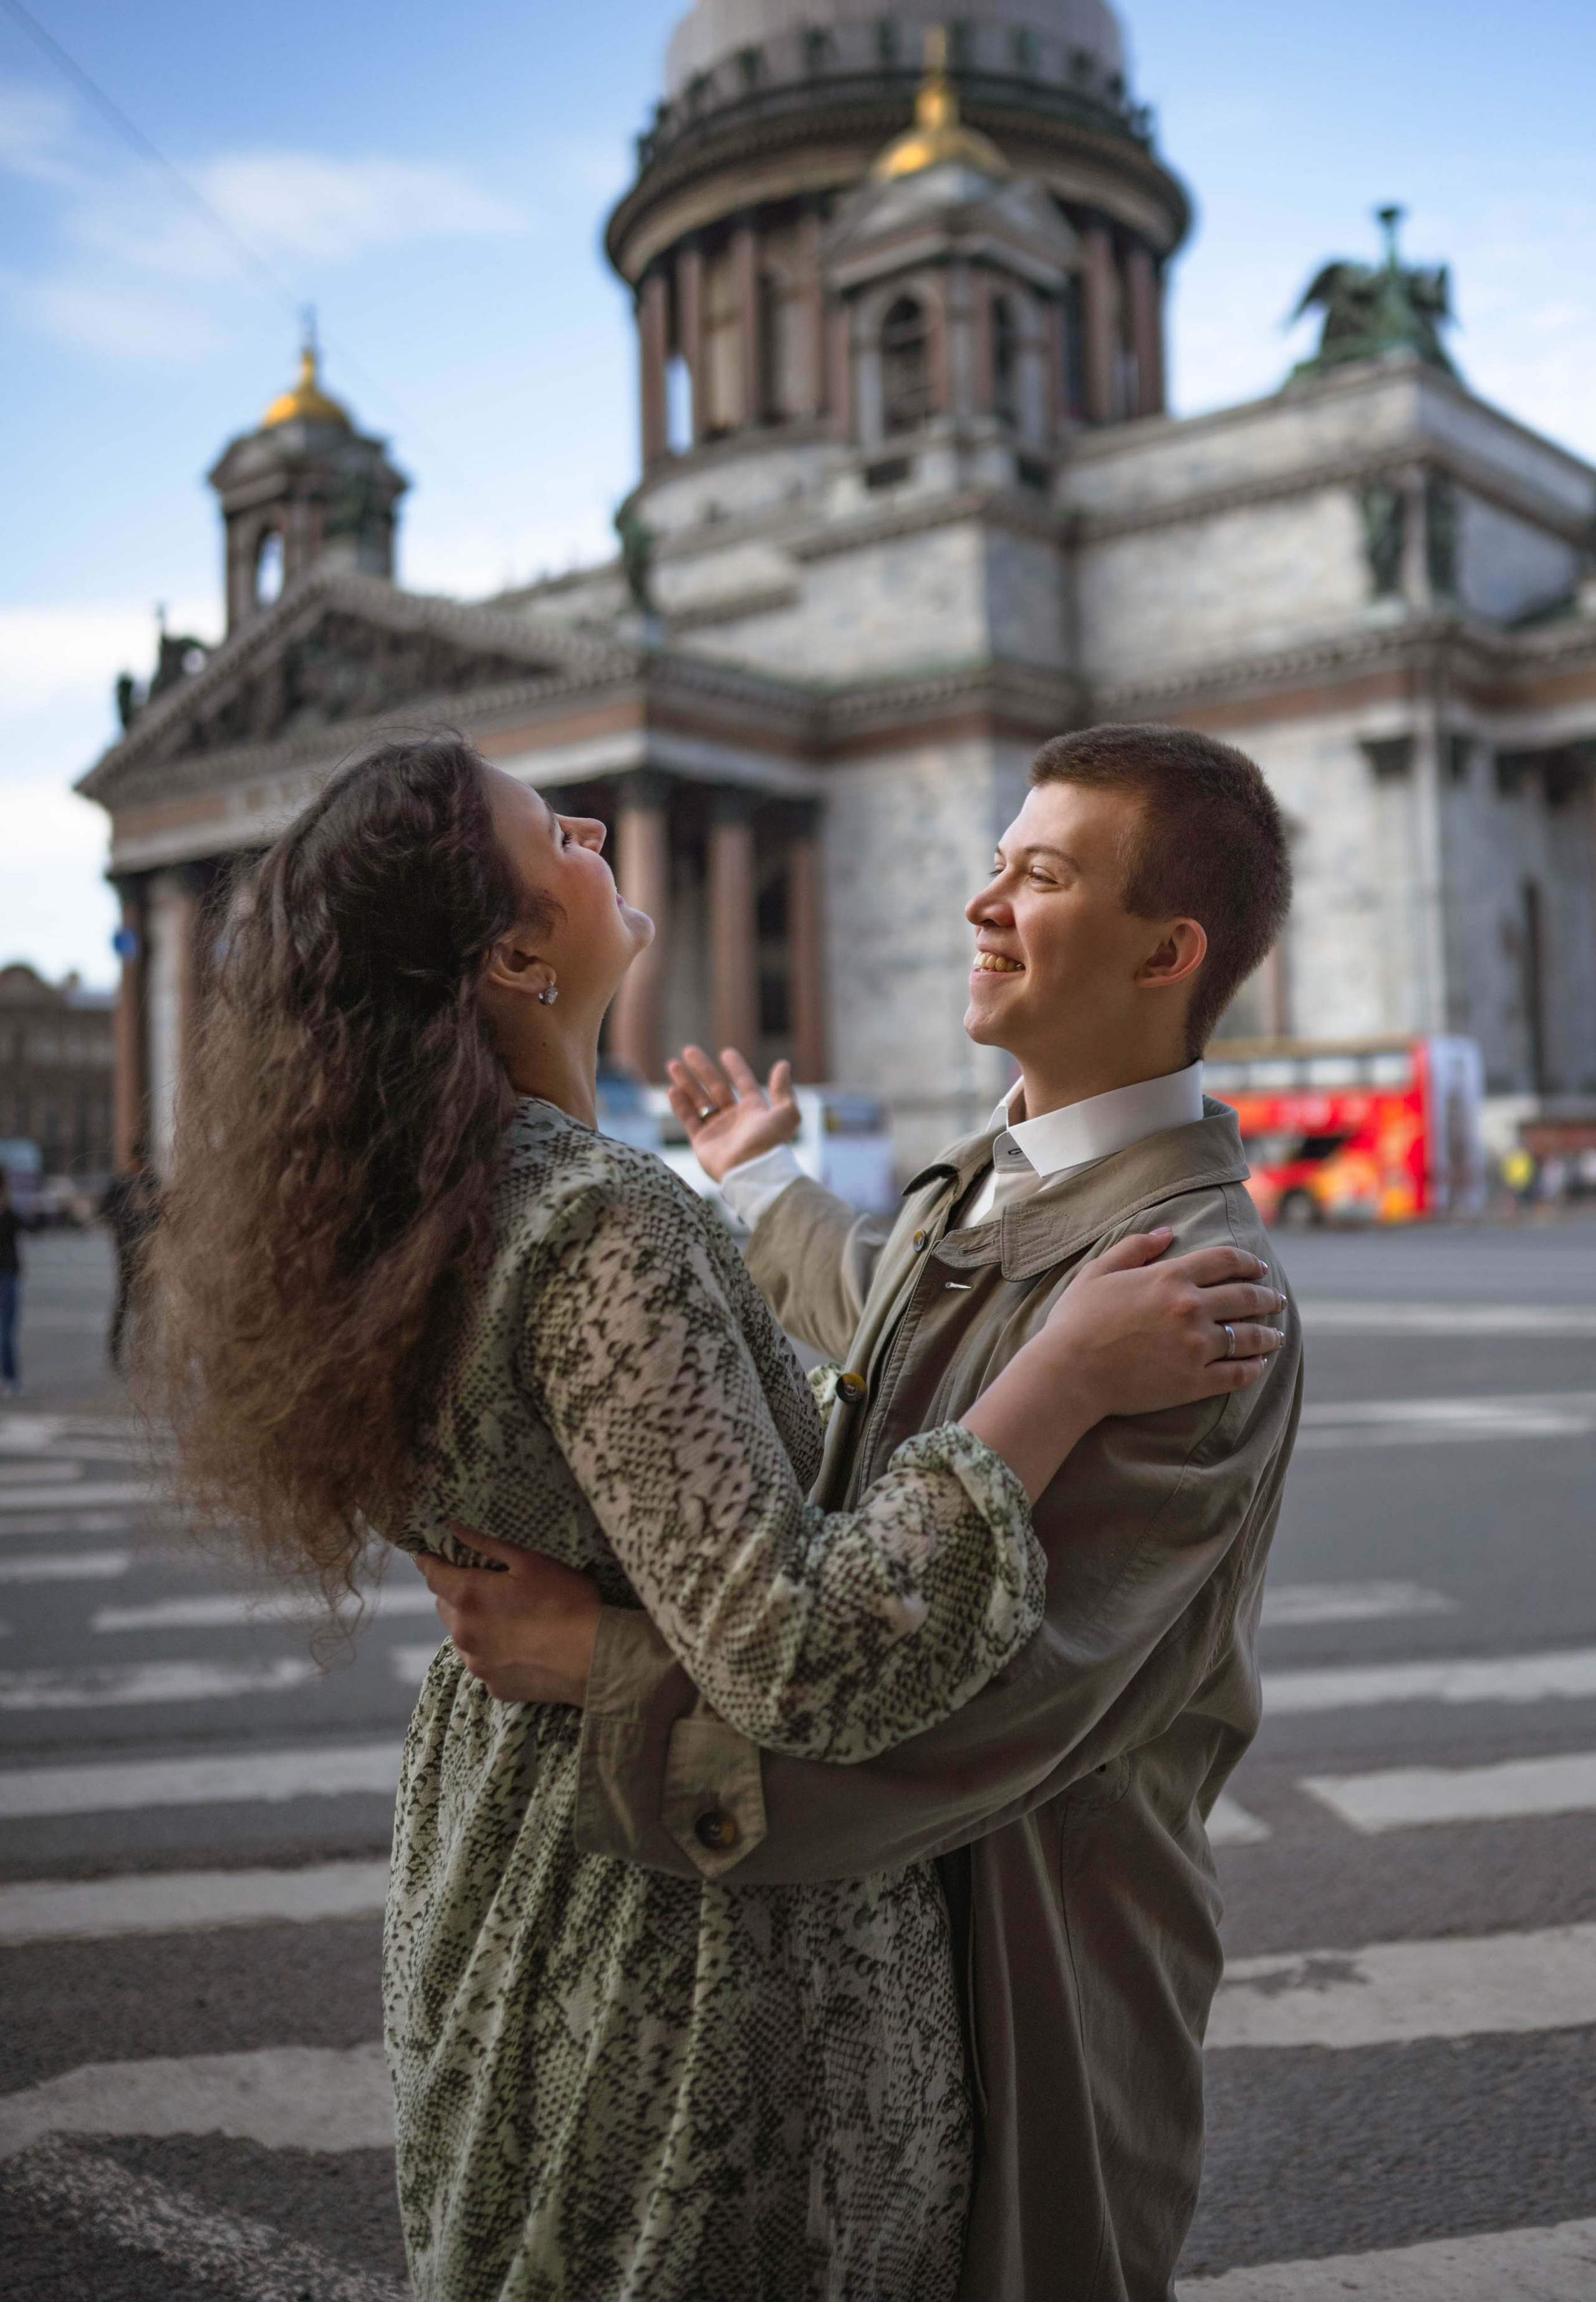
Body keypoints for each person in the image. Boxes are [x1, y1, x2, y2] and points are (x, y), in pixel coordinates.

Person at [142, 734, 1281, 2302]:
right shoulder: (900, 1195)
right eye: (997, 857)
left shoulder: (1193, 1297)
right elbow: (891, 1330)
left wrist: (599, 1659)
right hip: (693, 1915)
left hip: (1017, 1932)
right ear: (512, 949)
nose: (977, 898)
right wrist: (771, 1204)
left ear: (1166, 951)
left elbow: (984, 1712)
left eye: (1037, 870)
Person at [102, 1146, 159, 1372]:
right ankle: (115, 1353)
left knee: (146, 1308)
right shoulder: (121, 1184)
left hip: (149, 1254)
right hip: (126, 1253)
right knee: (124, 1304)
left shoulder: (153, 1184)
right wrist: (127, 1209)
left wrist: (150, 1206)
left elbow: (165, 1214)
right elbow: (105, 1211)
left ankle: (143, 1353)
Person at [0, 1167, 22, 1398]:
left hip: (8, 1272)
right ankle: (11, 1377)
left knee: (5, 1330)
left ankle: (11, 1377)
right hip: (7, 1272)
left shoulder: (8, 1211)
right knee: (5, 1330)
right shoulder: (7, 1211)